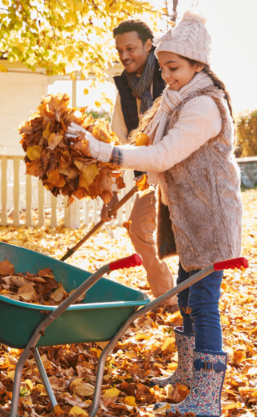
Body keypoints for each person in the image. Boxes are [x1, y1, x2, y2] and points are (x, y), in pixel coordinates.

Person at [68, 11, 242, 416]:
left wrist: (102, 152)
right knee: (185, 294)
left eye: (174, 67)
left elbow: (162, 155)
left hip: (209, 219)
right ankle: (186, 374)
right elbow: (146, 145)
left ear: (198, 65)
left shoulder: (204, 107)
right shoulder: (177, 99)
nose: (165, 76)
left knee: (203, 302)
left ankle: (206, 397)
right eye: (162, 67)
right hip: (186, 217)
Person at [104, 19, 177, 308]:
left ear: (149, 45)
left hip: (180, 172)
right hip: (149, 179)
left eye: (131, 48)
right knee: (138, 229)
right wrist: (110, 194)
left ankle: (195, 303)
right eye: (120, 50)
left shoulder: (172, 75)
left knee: (185, 236)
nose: (124, 56)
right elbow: (118, 145)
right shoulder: (124, 91)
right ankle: (167, 297)